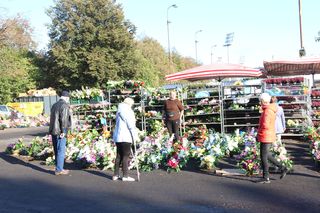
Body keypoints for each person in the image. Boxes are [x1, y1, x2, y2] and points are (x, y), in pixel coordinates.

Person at [257, 93, 289, 184]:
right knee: (267, 155)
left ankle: (266, 177)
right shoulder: (270, 109)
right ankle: (283, 168)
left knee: (264, 156)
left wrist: (259, 132)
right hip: (268, 134)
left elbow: (265, 125)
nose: (259, 103)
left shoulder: (267, 111)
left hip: (265, 135)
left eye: (260, 101)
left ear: (263, 101)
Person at [112, 97, 138, 181]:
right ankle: (125, 176)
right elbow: (131, 125)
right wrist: (135, 136)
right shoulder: (128, 111)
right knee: (125, 156)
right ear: (129, 104)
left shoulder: (119, 110)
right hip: (126, 136)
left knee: (119, 155)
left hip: (118, 137)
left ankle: (115, 175)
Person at [49, 91, 72, 175]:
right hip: (60, 131)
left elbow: (52, 118)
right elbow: (64, 120)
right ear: (66, 98)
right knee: (61, 150)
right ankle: (59, 169)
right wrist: (64, 131)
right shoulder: (65, 105)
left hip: (54, 131)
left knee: (56, 150)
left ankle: (58, 167)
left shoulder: (54, 105)